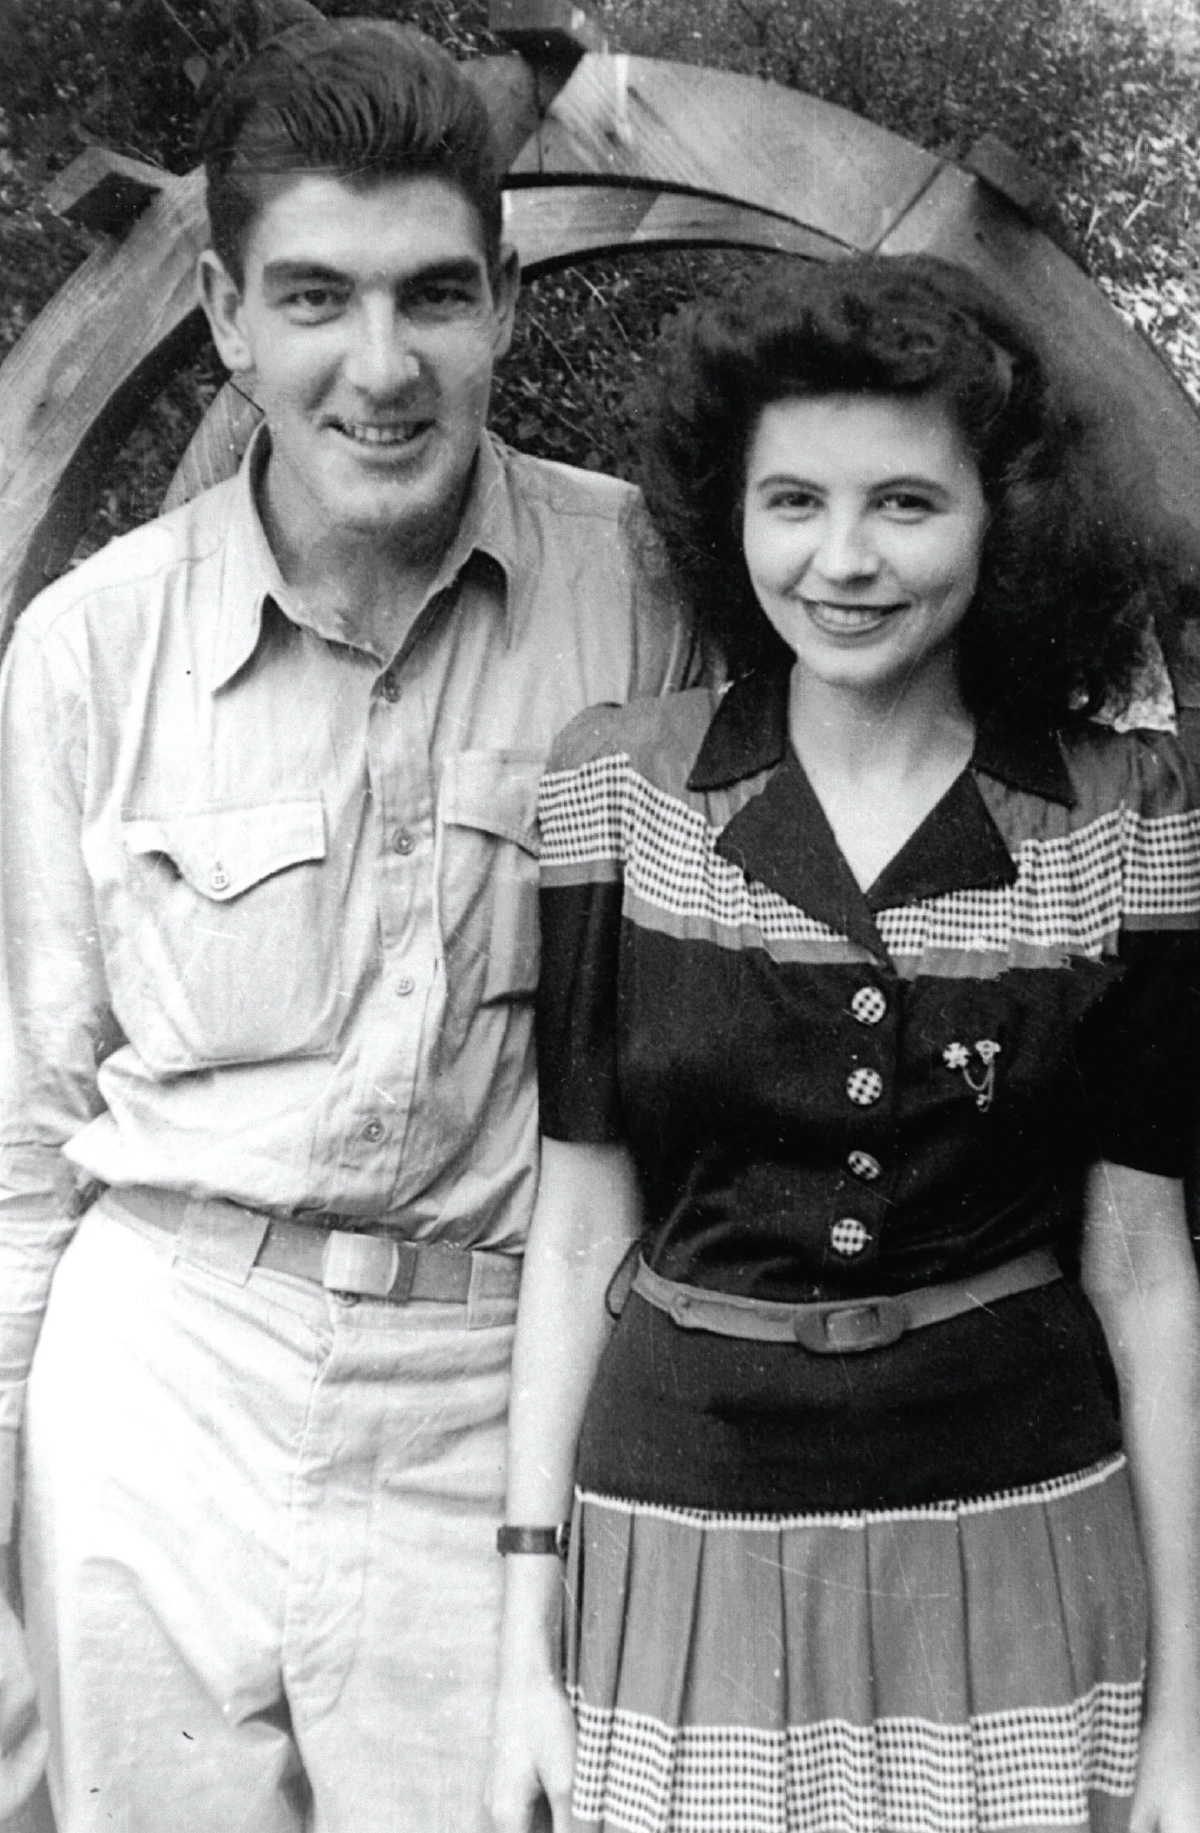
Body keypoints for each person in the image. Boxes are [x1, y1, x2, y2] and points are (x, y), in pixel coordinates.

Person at [0, 19, 699, 1833]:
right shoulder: (91, 649)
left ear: (507, 307)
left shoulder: (651, 609)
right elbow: (18, 1132)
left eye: (430, 300)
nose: (377, 368)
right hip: (157, 1392)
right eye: (314, 298)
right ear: (227, 314)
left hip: (495, 1406)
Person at [489, 256, 1200, 1833]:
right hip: (685, 1541)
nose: (845, 560)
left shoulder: (1119, 818)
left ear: (1001, 520)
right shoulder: (622, 791)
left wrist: (1187, 1724)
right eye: (794, 502)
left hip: (1021, 1539)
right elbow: (577, 1228)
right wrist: (520, 1644)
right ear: (728, 519)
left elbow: (1143, 1267)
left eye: (905, 504)